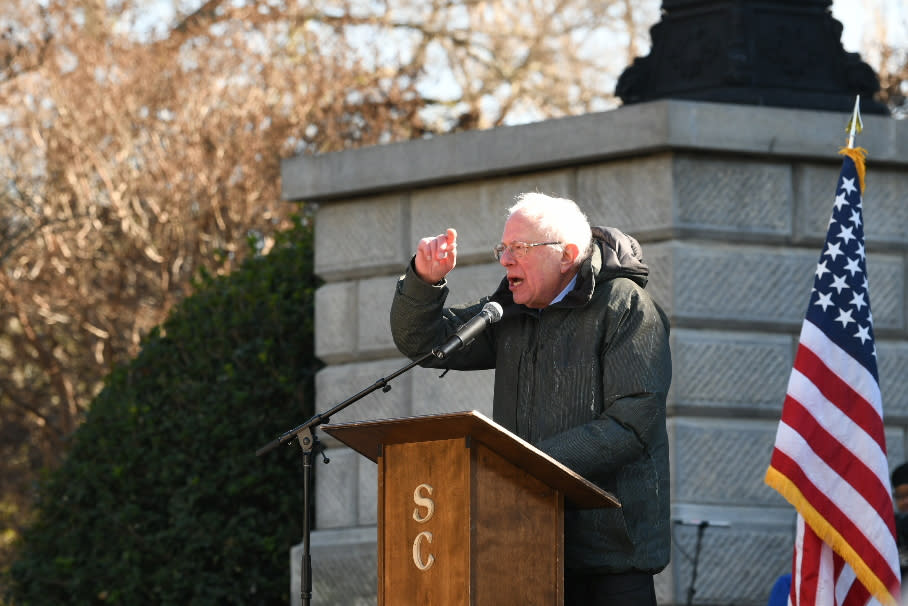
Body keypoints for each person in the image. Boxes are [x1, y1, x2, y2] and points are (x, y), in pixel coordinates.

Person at [389, 192, 672, 605]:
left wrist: (526, 465)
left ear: (566, 255)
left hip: (609, 561)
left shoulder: (626, 307)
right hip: (524, 549)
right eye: (503, 249)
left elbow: (631, 424)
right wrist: (424, 280)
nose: (505, 260)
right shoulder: (507, 311)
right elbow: (425, 343)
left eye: (519, 249)